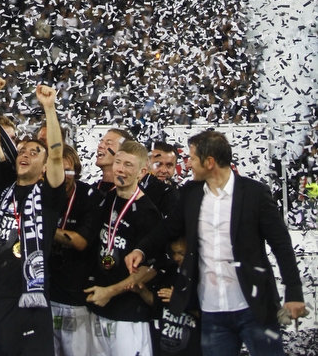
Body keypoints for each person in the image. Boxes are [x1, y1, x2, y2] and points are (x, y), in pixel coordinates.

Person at [125, 130, 306, 356]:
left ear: (209, 162)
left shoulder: (254, 193)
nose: (188, 165)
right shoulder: (190, 193)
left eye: (192, 158)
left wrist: (294, 293)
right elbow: (168, 228)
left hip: (255, 308)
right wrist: (141, 250)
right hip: (211, 311)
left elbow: (281, 244)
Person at [0, 85, 66, 356]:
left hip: (29, 298)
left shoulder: (49, 196)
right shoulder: (3, 189)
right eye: (22, 150)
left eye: (35, 152)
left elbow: (56, 152)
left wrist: (49, 108)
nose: (25, 154)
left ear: (45, 167)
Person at [84, 140, 161, 356]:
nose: (121, 169)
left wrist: (110, 291)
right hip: (99, 308)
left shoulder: (149, 213)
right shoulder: (107, 199)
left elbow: (150, 269)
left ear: (142, 171)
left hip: (129, 314)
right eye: (118, 162)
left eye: (129, 165)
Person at [49, 144, 100, 356]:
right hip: (48, 295)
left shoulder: (89, 196)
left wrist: (43, 226)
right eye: (58, 169)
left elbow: (80, 242)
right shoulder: (44, 193)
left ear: (76, 171)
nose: (64, 175)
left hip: (75, 299)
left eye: (68, 170)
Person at [94, 129, 132, 196]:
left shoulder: (130, 194)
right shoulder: (89, 191)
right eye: (101, 142)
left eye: (108, 143)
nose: (100, 146)